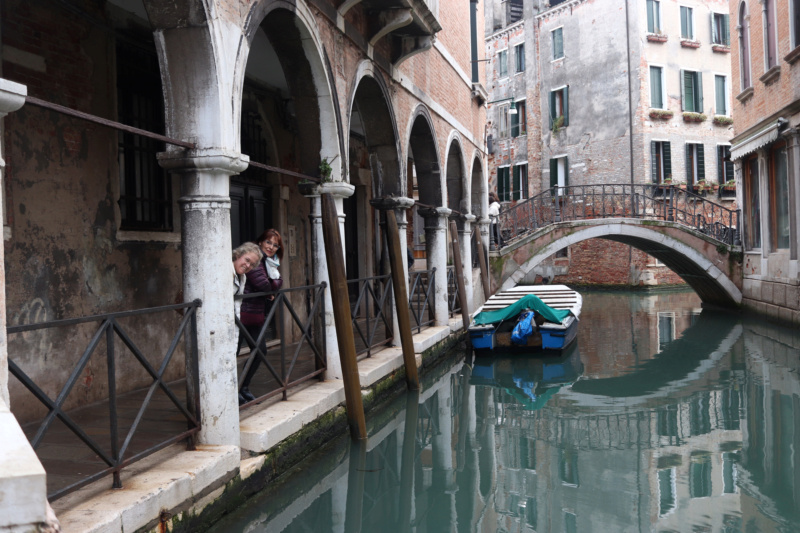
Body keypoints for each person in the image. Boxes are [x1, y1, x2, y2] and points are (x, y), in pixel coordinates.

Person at [239, 229, 284, 403]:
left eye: (275, 245)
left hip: (255, 314)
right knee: (233, 352)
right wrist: (271, 289)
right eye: (268, 242)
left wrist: (272, 287)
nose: (271, 247)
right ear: (260, 242)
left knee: (260, 350)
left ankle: (243, 386)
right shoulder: (254, 259)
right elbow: (265, 285)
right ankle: (232, 390)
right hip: (242, 313)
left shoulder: (271, 263)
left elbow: (276, 283)